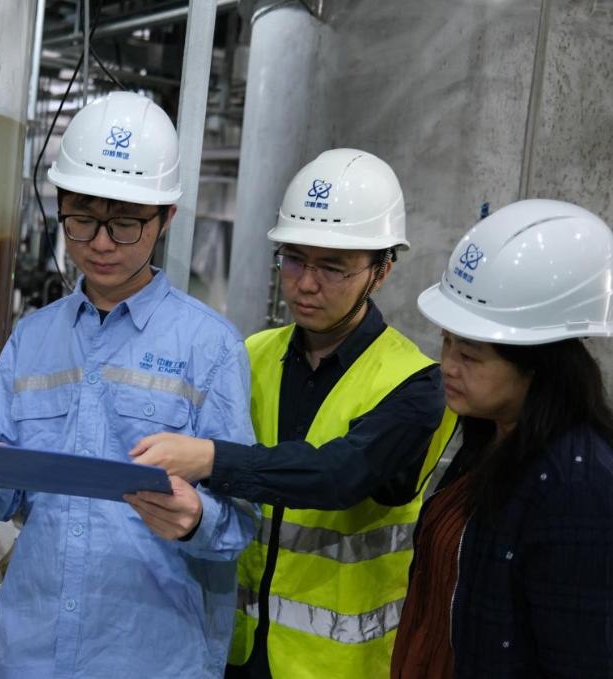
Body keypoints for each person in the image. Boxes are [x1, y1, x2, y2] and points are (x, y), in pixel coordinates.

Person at [0, 91, 257, 678]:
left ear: (166, 218)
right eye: (83, 218)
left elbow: (242, 521)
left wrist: (197, 518)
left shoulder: (211, 348)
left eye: (124, 224)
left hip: (151, 657)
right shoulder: (32, 339)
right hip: (34, 655)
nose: (99, 243)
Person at [129, 148, 457, 679]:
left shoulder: (414, 383)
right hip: (232, 649)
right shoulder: (250, 354)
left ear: (381, 271)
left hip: (336, 666)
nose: (305, 284)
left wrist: (210, 458)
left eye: (333, 267)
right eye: (295, 259)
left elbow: (338, 475)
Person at [391, 198, 613, 678]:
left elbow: (579, 658)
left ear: (536, 366)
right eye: (447, 342)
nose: (447, 365)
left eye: (470, 355)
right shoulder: (491, 437)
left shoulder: (578, 488)